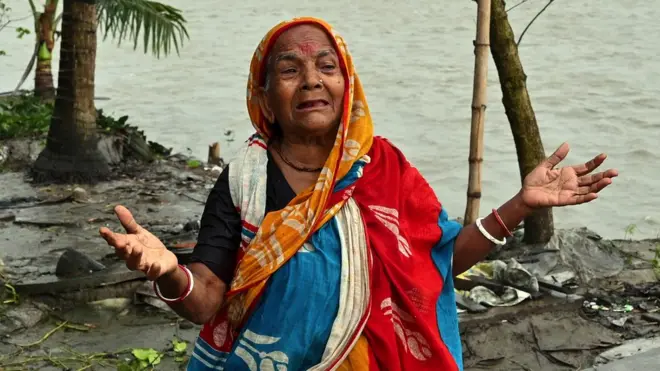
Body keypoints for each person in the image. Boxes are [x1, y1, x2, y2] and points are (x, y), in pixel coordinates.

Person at [100, 17, 618, 371]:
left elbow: (436, 260)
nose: (311, 81)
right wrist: (169, 271)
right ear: (263, 97)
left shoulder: (383, 168)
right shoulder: (245, 180)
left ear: (349, 85)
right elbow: (208, 299)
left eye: (327, 67)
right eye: (289, 69)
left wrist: (521, 204)